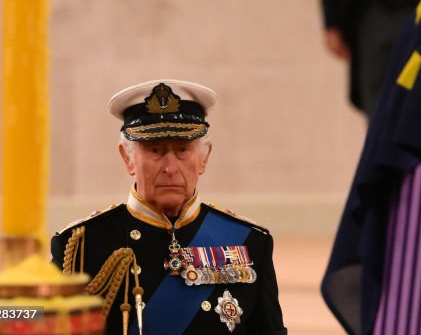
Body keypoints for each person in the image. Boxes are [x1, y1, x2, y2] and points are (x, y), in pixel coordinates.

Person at [50, 80, 287, 335]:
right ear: (127, 158)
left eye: (183, 150)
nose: (170, 168)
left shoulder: (250, 243)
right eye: (155, 150)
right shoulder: (81, 246)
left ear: (204, 158)